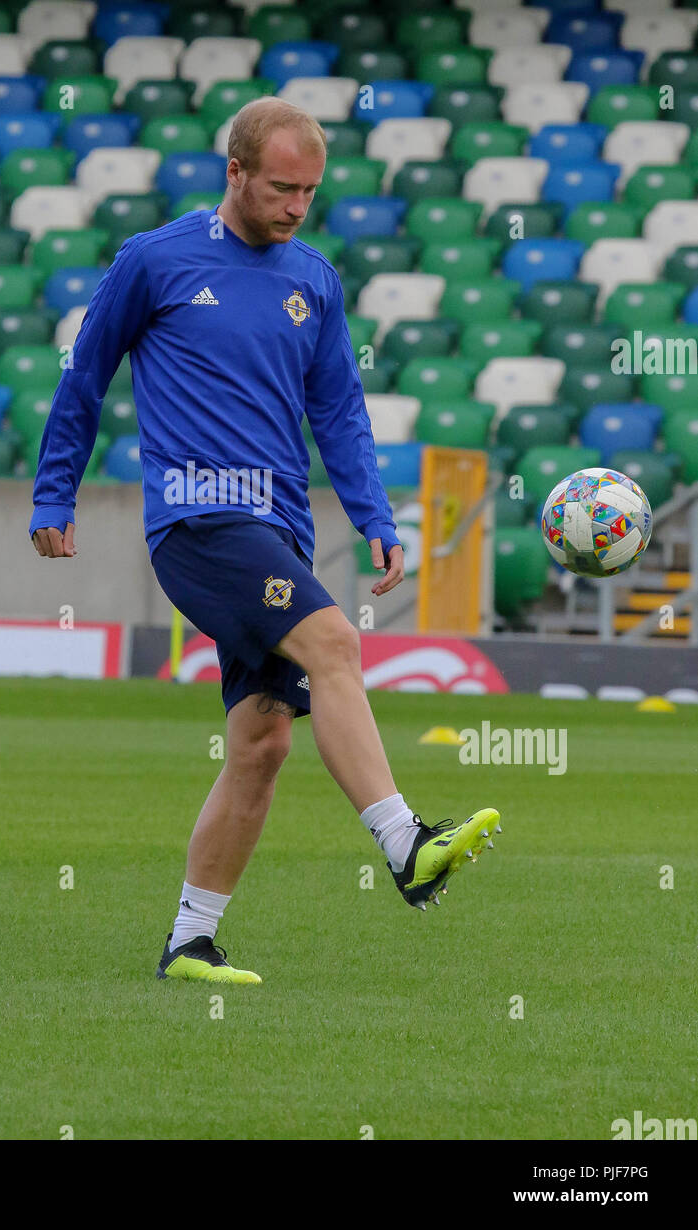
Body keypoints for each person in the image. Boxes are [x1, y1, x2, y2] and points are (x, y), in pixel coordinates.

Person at [30, 96, 500, 984]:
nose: (295, 206)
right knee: (334, 640)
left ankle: (189, 941)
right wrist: (56, 492)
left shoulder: (312, 280)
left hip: (276, 525)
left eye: (310, 192)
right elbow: (84, 374)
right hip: (197, 521)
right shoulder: (154, 260)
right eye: (281, 187)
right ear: (235, 173)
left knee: (262, 741)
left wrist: (373, 516)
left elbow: (337, 408)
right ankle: (404, 844)